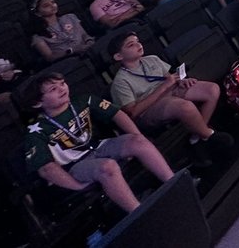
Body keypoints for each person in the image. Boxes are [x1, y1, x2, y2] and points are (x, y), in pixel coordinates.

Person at [22, 71, 176, 214]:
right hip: (75, 165)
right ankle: (139, 213)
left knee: (138, 141)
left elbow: (117, 113)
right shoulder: (36, 131)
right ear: (37, 103)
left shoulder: (82, 101)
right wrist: (77, 186)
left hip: (98, 147)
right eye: (53, 89)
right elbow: (46, 169)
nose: (62, 89)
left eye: (62, 83)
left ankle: (174, 184)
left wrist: (137, 135)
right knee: (107, 166)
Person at [108, 32, 233, 159]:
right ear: (118, 56)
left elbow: (169, 77)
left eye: (137, 41)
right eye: (131, 45)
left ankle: (197, 136)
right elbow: (133, 112)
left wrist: (181, 81)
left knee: (211, 89)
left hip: (169, 91)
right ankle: (208, 135)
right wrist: (165, 86)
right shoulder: (120, 82)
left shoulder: (152, 59)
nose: (138, 45)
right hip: (148, 109)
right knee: (185, 107)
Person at [29, 0, 94, 62]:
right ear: (38, 13)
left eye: (53, 2)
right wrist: (71, 51)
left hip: (88, 49)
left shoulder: (70, 17)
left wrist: (89, 41)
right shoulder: (38, 37)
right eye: (46, 6)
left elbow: (84, 35)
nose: (52, 6)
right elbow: (50, 57)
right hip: (70, 60)